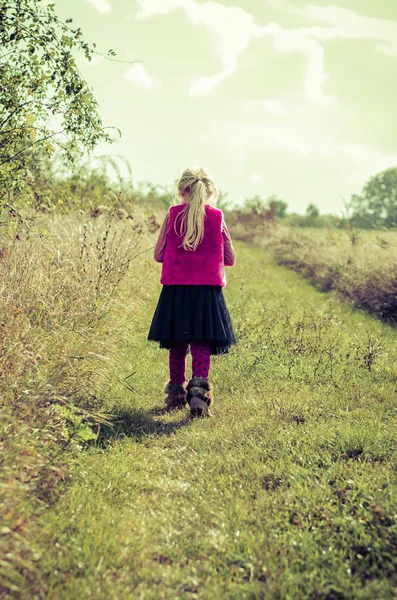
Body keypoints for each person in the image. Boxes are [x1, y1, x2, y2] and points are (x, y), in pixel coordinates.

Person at [147, 166, 237, 418]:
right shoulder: (217, 217)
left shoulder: (173, 214)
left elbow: (158, 255)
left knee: (177, 341)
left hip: (175, 289)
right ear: (209, 193)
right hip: (207, 291)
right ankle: (198, 396)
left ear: (180, 191)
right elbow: (229, 257)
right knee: (201, 341)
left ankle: (175, 395)